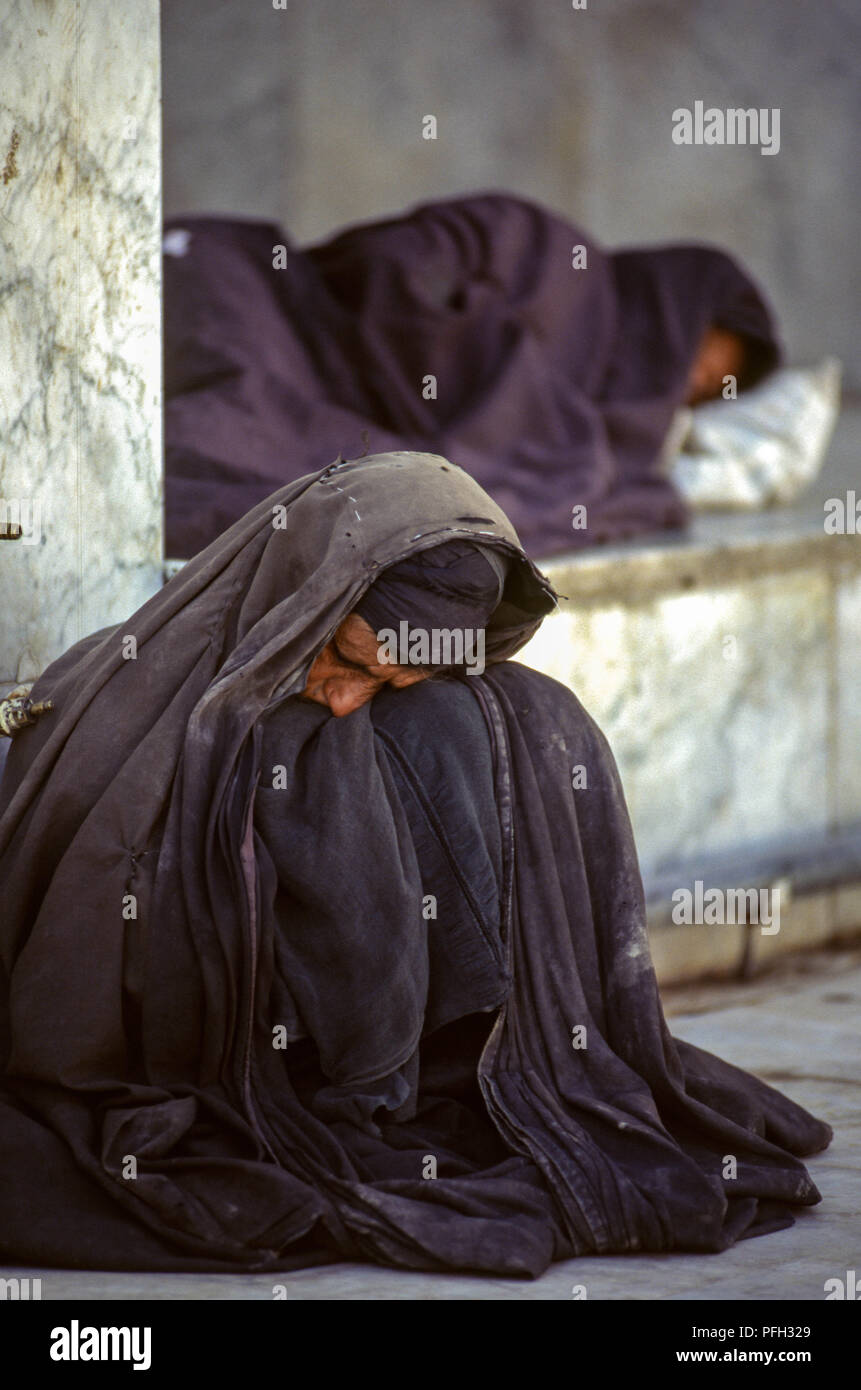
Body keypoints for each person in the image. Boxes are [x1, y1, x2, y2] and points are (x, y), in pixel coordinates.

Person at [0, 451, 829, 1277]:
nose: (347, 697)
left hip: (371, 1067)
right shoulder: (121, 699)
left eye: (402, 677)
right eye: (350, 661)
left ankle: (444, 1073)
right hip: (200, 1061)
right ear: (306, 593)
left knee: (530, 716)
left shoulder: (428, 707)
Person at [163, 193, 781, 559]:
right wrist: (500, 377)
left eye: (704, 388)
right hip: (282, 314)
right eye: (699, 356)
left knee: (338, 487)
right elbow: (391, 264)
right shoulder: (552, 252)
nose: (689, 381)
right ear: (673, 305)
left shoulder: (592, 433)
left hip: (340, 414)